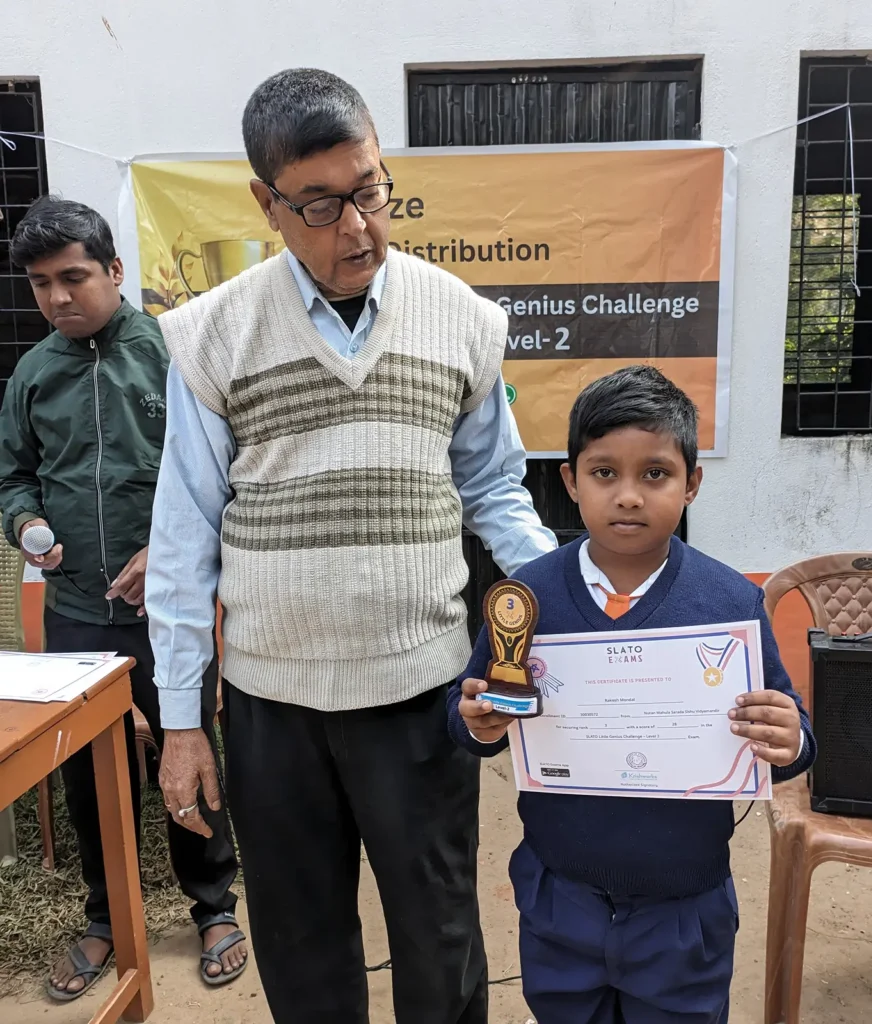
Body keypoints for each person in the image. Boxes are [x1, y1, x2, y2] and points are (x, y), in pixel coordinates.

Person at [144, 68, 556, 1023]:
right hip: (271, 706)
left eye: (370, 190)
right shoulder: (211, 335)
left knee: (439, 934)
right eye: (321, 204)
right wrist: (181, 723)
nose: (359, 227)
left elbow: (495, 488)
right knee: (300, 946)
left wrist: (570, 602)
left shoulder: (463, 319)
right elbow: (183, 536)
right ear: (267, 204)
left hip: (422, 696)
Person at [448, 365, 817, 1024]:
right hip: (560, 896)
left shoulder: (729, 604)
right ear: (570, 481)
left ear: (691, 484)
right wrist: (478, 721)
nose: (627, 496)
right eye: (603, 472)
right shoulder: (527, 599)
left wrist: (789, 740)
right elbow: (470, 711)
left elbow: (793, 739)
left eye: (654, 474)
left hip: (683, 908)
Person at [0, 196, 247, 1001]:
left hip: (168, 611)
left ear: (113, 269)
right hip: (76, 611)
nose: (58, 297)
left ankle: (212, 904)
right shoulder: (33, 376)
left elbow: (223, 476)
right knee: (86, 773)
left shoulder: (173, 356)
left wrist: (165, 553)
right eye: (41, 284)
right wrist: (26, 524)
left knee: (188, 749)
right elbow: (13, 479)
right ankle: (107, 915)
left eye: (73, 277)